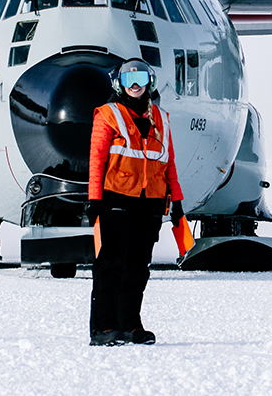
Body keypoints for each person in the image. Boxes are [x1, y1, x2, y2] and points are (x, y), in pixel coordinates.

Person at [85, 58, 184, 346]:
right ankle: (104, 328)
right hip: (117, 198)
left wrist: (176, 200)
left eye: (140, 77)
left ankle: (130, 325)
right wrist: (94, 199)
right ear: (119, 84)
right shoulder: (108, 115)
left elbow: (169, 162)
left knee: (139, 266)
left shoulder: (161, 118)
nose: (136, 84)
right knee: (111, 264)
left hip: (151, 201)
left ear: (150, 81)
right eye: (129, 80)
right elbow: (96, 159)